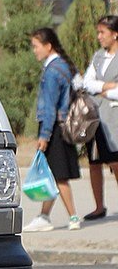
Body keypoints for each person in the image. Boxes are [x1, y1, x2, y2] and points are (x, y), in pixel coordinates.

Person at [24, 28, 81, 232]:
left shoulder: (52, 71)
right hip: (62, 125)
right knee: (52, 173)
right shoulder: (64, 66)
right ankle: (44, 216)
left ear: (48, 46)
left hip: (54, 127)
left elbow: (49, 107)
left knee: (59, 175)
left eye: (36, 46)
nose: (34, 51)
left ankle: (73, 217)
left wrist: (44, 136)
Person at [77, 14, 118, 221]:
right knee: (94, 162)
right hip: (96, 117)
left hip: (115, 118)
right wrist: (107, 86)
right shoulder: (97, 57)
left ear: (115, 34)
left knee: (116, 162)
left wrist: (105, 91)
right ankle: (98, 206)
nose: (99, 36)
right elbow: (86, 82)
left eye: (103, 32)